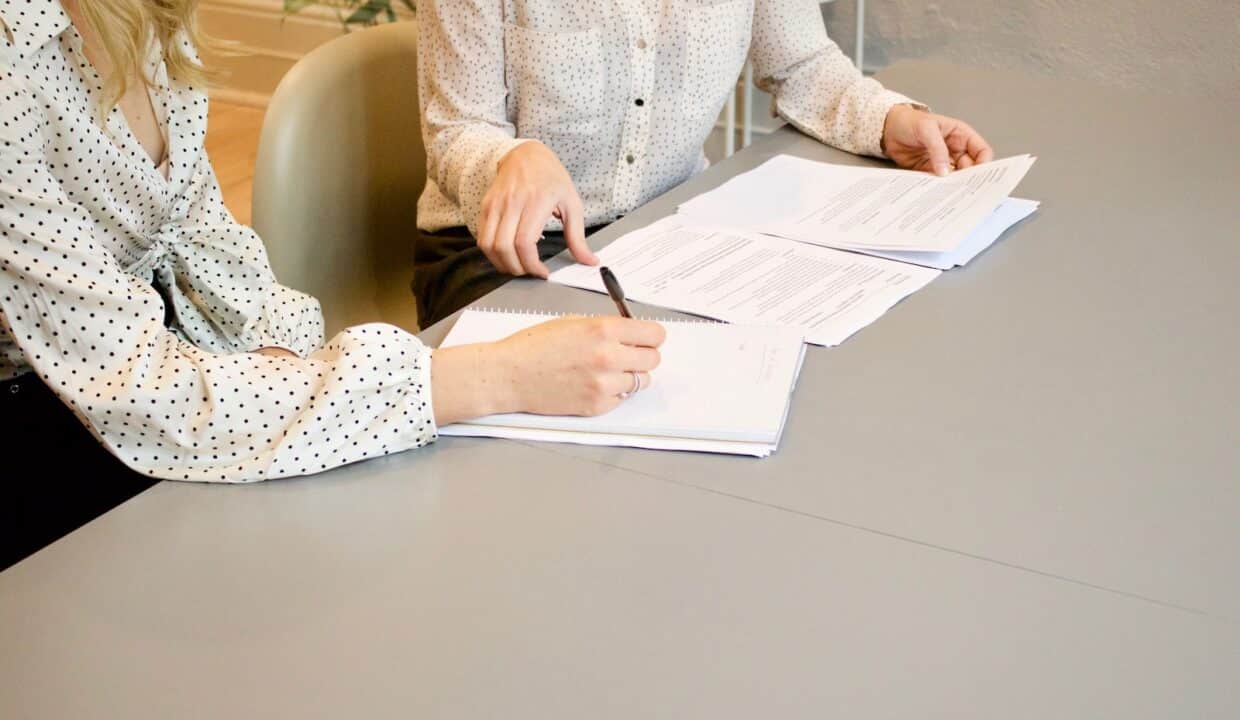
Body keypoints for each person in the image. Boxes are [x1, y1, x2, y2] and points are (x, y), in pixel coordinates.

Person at [0, 0, 665, 570]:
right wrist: (497, 378)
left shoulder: (147, 17)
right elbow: (146, 393)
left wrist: (279, 354)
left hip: (157, 371)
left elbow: (201, 235)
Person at [413, 0, 995, 325]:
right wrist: (510, 158)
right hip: (501, 251)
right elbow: (456, 127)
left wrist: (890, 121)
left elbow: (803, 65)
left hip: (668, 233)